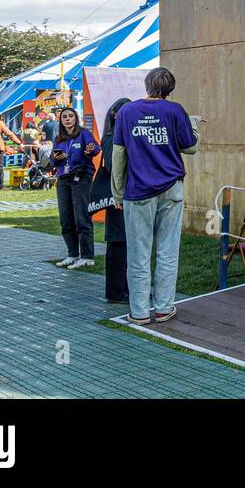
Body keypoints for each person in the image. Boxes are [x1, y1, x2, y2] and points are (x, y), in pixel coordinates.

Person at [112, 68, 199, 326]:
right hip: (171, 188)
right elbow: (190, 147)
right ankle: (163, 308)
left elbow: (118, 154)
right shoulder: (175, 111)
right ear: (171, 89)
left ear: (147, 84)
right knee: (167, 251)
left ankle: (139, 312)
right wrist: (193, 123)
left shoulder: (127, 111)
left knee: (138, 254)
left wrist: (118, 192)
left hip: (137, 190)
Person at [50, 106, 100, 269]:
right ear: (61, 120)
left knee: (81, 217)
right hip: (63, 179)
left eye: (70, 116)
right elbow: (52, 161)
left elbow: (95, 148)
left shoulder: (83, 133)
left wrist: (90, 150)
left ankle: (87, 256)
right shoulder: (59, 138)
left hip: (81, 178)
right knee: (66, 219)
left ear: (75, 118)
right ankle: (73, 254)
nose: (67, 119)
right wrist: (58, 158)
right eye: (64, 117)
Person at [95, 97, 132, 304]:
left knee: (125, 245)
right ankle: (116, 292)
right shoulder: (111, 137)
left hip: (123, 196)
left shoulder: (122, 135)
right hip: (118, 198)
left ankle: (124, 289)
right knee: (118, 244)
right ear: (115, 115)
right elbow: (112, 166)